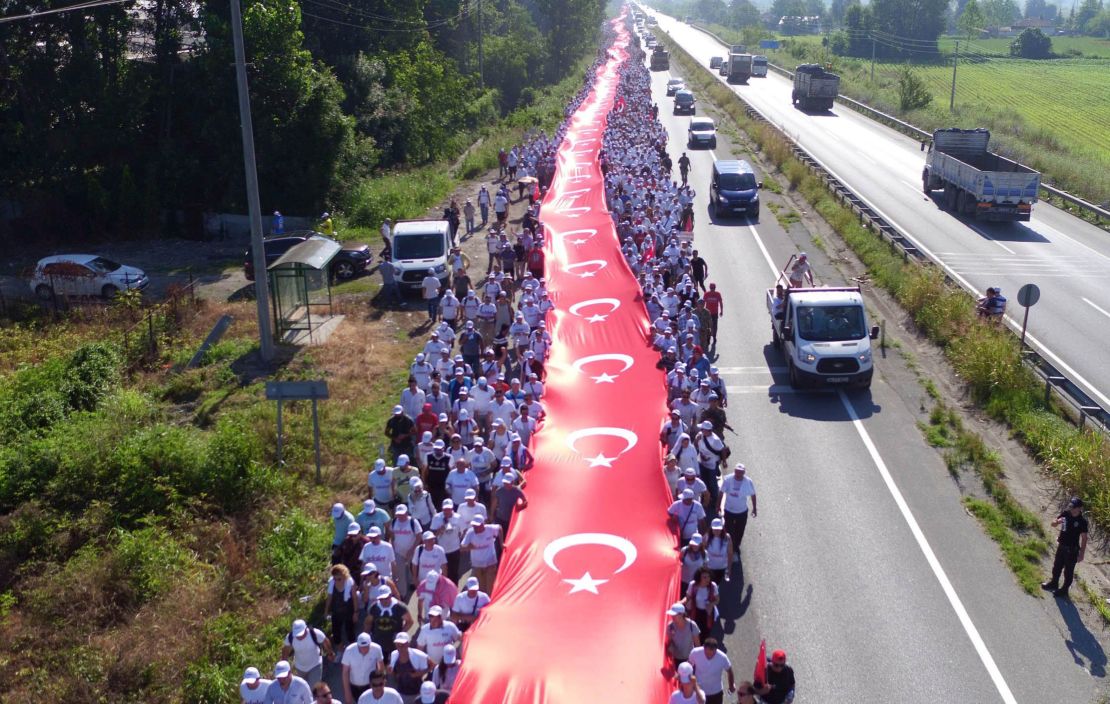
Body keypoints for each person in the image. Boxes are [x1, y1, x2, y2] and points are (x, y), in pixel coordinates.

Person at [1042, 497, 1089, 599]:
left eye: (1074, 507)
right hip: (1062, 546)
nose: (1071, 508)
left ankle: (1064, 590)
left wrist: (1081, 554)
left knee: (1068, 572)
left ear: (1080, 508)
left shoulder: (1082, 522)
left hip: (1072, 550)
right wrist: (1057, 521)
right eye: (1071, 506)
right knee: (1057, 567)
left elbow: (1084, 538)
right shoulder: (1066, 513)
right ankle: (1054, 583)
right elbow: (1053, 523)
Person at [281, 619, 333, 688]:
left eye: (301, 633)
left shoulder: (315, 633)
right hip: (300, 667)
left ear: (306, 629)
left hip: (315, 665)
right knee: (303, 687)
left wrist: (330, 653)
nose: (299, 637)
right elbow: (285, 651)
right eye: (297, 634)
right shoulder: (290, 638)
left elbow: (325, 641)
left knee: (313, 688)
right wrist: (285, 666)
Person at [365, 585, 413, 660]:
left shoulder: (400, 607)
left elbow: (410, 622)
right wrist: (367, 636)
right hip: (378, 641)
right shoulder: (374, 607)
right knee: (381, 662)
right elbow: (368, 622)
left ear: (390, 595)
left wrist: (400, 634)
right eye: (381, 599)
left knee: (395, 663)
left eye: (386, 598)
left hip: (395, 643)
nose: (384, 601)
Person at [718, 463, 756, 556]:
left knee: (740, 531)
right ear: (734, 471)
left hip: (742, 511)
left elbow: (753, 495)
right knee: (729, 531)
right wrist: (718, 505)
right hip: (729, 510)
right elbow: (721, 492)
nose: (738, 474)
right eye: (737, 472)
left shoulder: (748, 482)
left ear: (744, 473)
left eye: (741, 473)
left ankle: (736, 546)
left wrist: (754, 508)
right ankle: (729, 547)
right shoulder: (728, 480)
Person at [461, 516, 502, 594]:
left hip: (490, 563)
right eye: (474, 526)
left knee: (491, 587)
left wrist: (501, 543)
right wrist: (469, 547)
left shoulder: (490, 529)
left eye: (477, 526)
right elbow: (462, 547)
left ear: (483, 524)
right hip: (477, 566)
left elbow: (499, 528)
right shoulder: (470, 532)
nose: (475, 528)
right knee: (481, 588)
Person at [341, 632, 385, 704]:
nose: (364, 650)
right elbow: (345, 672)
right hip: (354, 686)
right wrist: (347, 692)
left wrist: (381, 684)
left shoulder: (377, 649)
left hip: (370, 685)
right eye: (361, 647)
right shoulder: (349, 650)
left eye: (366, 647)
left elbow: (381, 667)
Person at [688, 639, 734, 704]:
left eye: (713, 654)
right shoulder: (695, 653)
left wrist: (731, 685)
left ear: (716, 649)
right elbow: (688, 667)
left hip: (716, 693)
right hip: (699, 691)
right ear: (703, 647)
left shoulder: (722, 657)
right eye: (707, 653)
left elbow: (729, 670)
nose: (709, 656)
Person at [387, 632, 430, 701]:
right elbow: (394, 673)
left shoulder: (419, 654)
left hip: (416, 693)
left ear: (408, 644)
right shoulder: (394, 654)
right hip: (401, 692)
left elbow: (432, 665)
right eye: (398, 644)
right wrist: (390, 672)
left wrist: (418, 674)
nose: (400, 647)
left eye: (402, 644)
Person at [324, 564, 359, 648]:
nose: (336, 581)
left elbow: (355, 598)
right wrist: (326, 611)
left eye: (339, 579)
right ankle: (340, 649)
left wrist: (356, 612)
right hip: (336, 611)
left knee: (350, 631)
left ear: (344, 576)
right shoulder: (332, 583)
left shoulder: (350, 583)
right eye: (335, 579)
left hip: (348, 611)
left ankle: (352, 648)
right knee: (336, 633)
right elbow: (329, 598)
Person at [684, 567, 719, 639]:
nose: (708, 579)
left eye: (709, 576)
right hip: (696, 612)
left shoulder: (713, 586)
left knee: (706, 631)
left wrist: (711, 604)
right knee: (696, 630)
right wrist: (681, 603)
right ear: (699, 577)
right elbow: (688, 598)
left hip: (708, 613)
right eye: (705, 577)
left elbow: (717, 600)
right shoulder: (692, 585)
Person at [704, 518, 733, 586]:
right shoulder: (706, 537)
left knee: (716, 584)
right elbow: (702, 549)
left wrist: (729, 568)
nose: (717, 531)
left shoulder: (727, 538)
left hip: (721, 568)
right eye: (715, 529)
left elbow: (730, 554)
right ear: (711, 528)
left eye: (719, 529)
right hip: (709, 567)